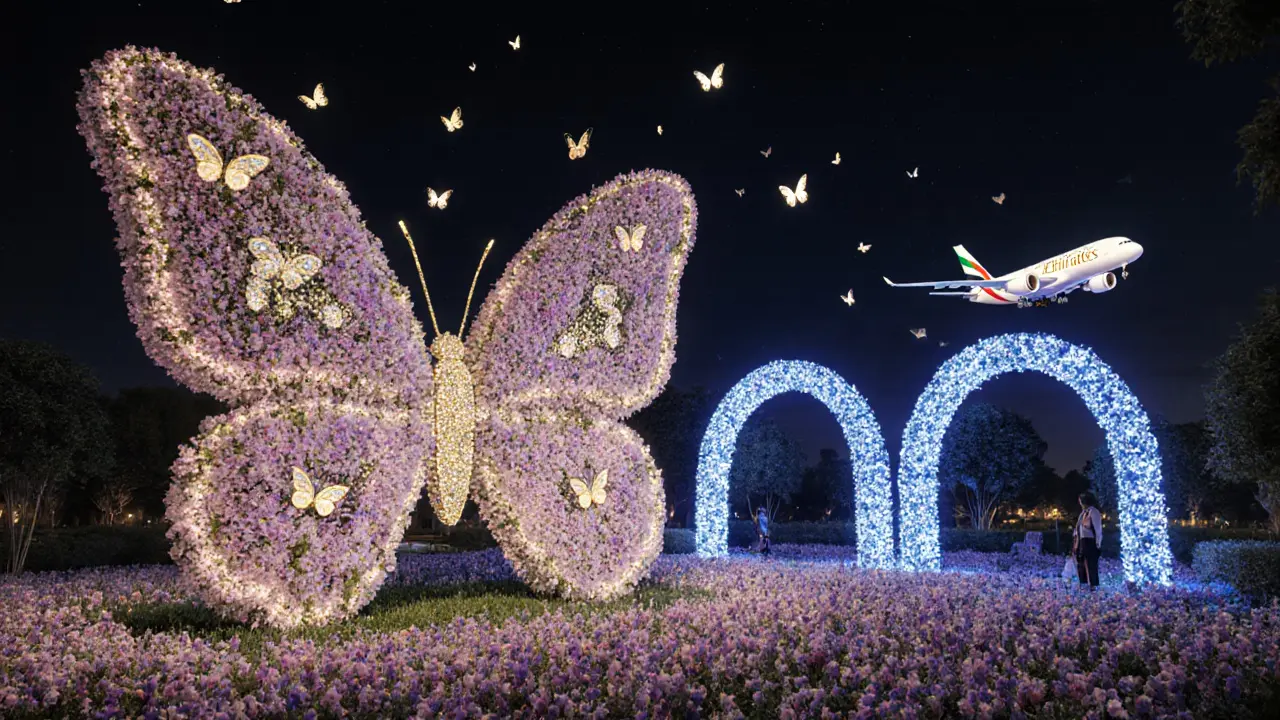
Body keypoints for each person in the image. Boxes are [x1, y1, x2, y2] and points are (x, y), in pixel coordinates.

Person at [1072, 491, 1103, 589]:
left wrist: (1098, 543)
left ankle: (1093, 584)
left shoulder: (1094, 512)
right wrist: (1076, 542)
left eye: (1081, 501)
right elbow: (1078, 528)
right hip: (1081, 540)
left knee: (1091, 563)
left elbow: (1098, 529)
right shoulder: (1082, 513)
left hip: (1090, 541)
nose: (1080, 503)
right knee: (1080, 562)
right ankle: (1083, 583)